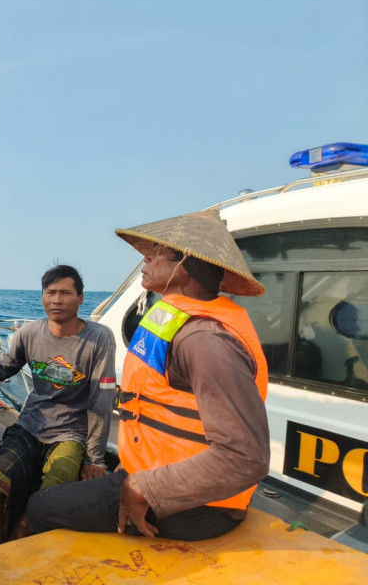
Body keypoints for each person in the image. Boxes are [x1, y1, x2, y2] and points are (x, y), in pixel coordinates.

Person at [27, 208, 271, 542]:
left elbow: (246, 458)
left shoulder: (205, 340)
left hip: (196, 506)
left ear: (184, 264)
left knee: (40, 507)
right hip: (153, 476)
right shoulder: (173, 319)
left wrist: (144, 485)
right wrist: (132, 465)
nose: (145, 260)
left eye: (156, 254)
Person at [0, 264, 116, 542]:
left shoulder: (99, 338)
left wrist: (94, 458)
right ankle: (4, 544)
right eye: (50, 292)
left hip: (70, 433)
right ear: (42, 296)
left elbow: (101, 400)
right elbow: (0, 369)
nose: (56, 299)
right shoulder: (29, 333)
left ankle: (31, 547)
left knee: (51, 498)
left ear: (80, 298)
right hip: (29, 426)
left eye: (66, 293)